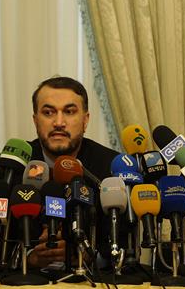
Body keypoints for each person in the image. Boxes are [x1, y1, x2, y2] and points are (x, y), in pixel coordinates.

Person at [25, 76, 120, 269]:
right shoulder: (13, 166)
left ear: (85, 120)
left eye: (69, 112)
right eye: (48, 112)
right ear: (35, 121)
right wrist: (28, 259)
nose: (59, 123)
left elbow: (124, 248)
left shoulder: (111, 168)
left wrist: (88, 257)